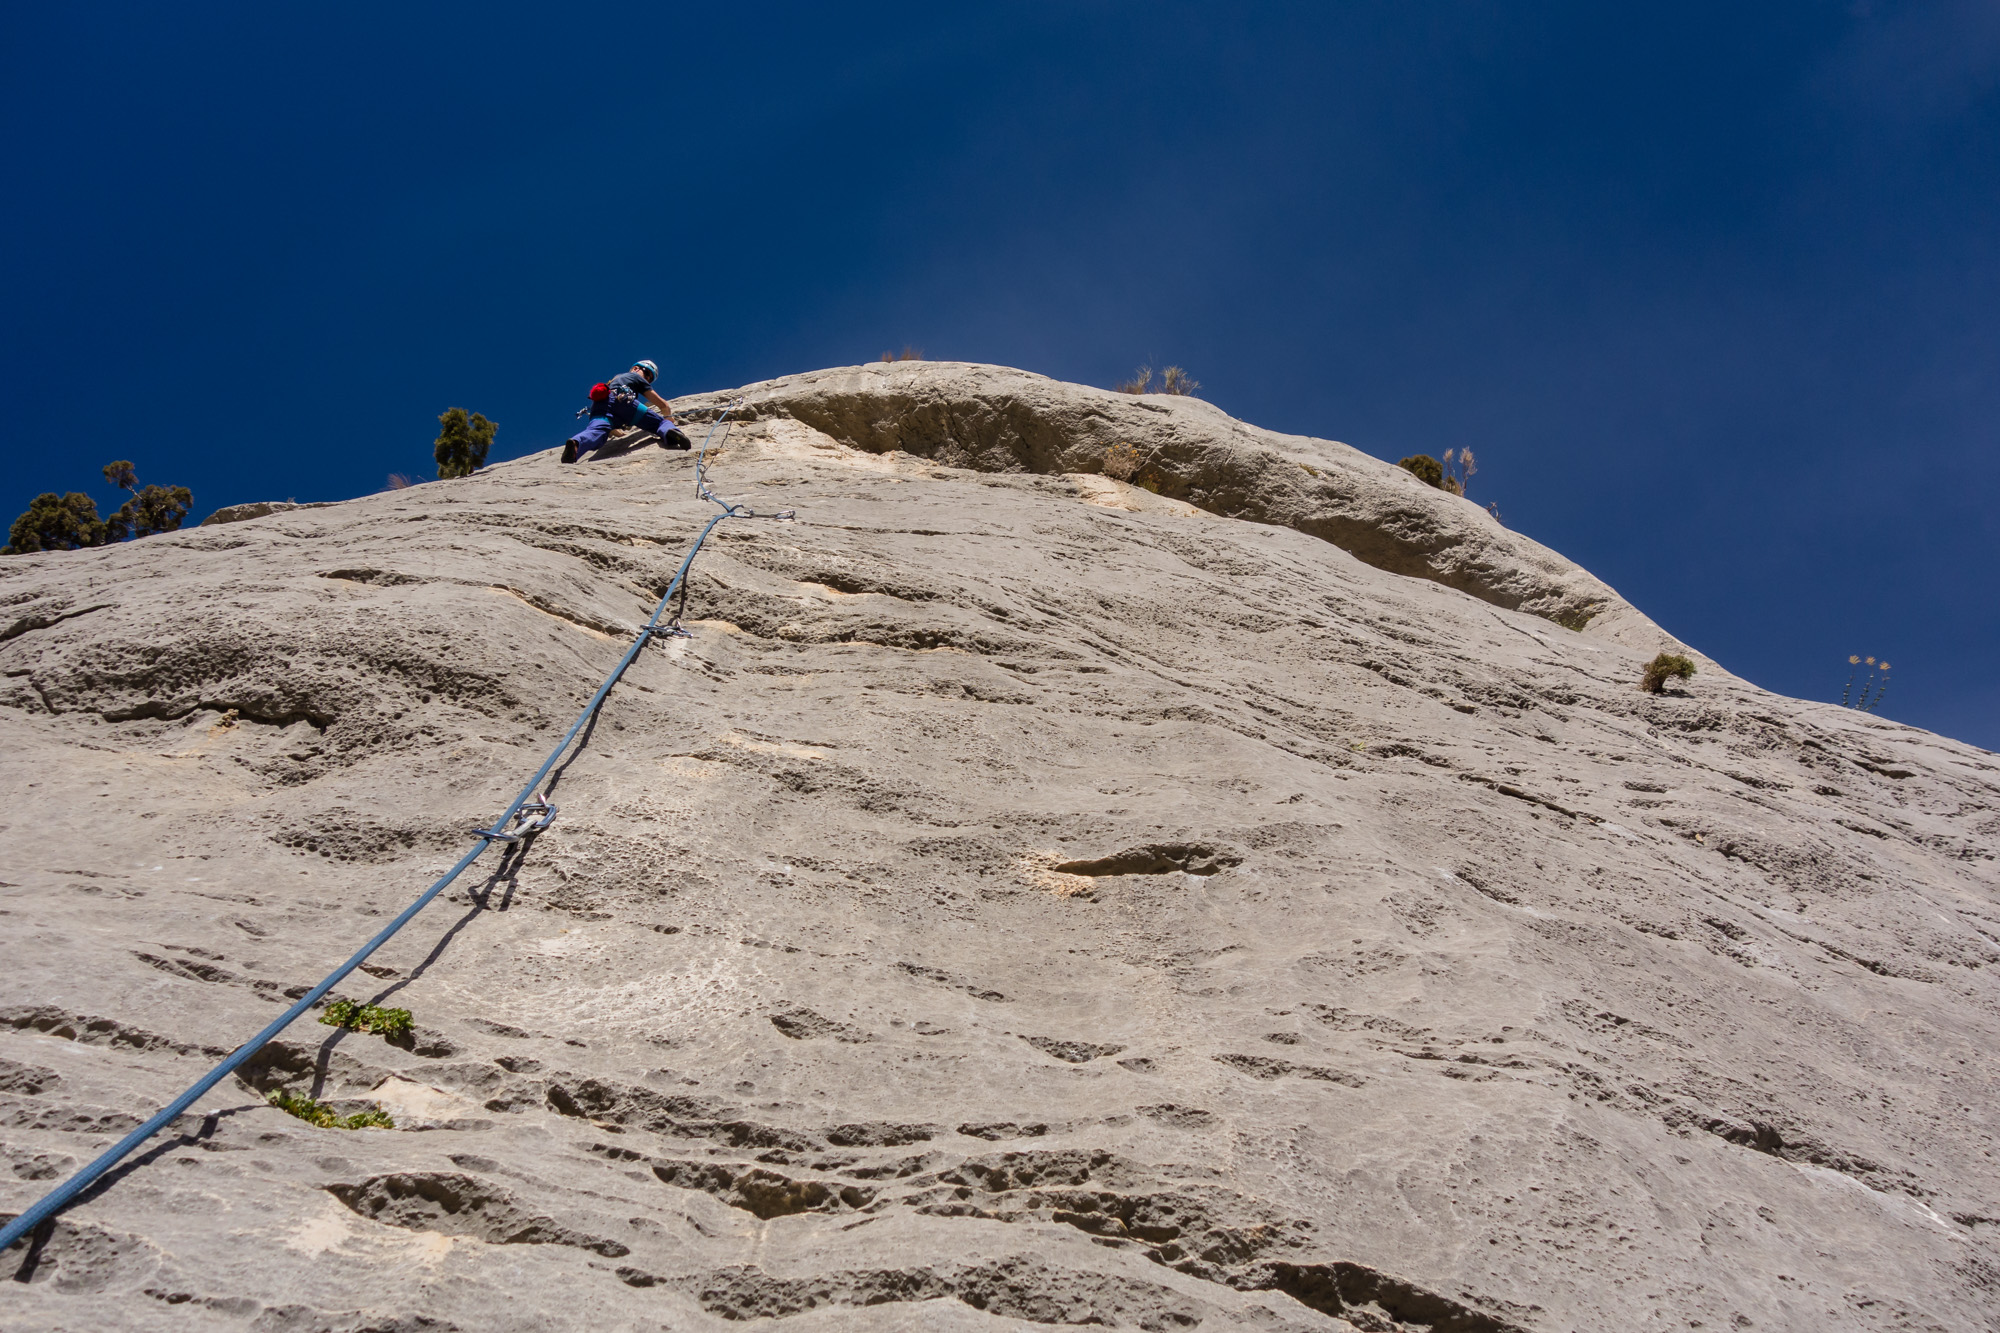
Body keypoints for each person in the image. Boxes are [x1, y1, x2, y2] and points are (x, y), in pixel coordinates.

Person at [562, 360, 691, 463]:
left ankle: (575, 445)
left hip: (599, 406)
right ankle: (669, 432)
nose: (647, 379)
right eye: (646, 374)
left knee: (596, 431)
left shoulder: (613, 380)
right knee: (659, 423)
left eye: (649, 379)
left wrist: (617, 432)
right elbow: (661, 403)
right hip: (624, 401)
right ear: (636, 369)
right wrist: (668, 417)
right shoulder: (634, 376)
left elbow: (610, 420)